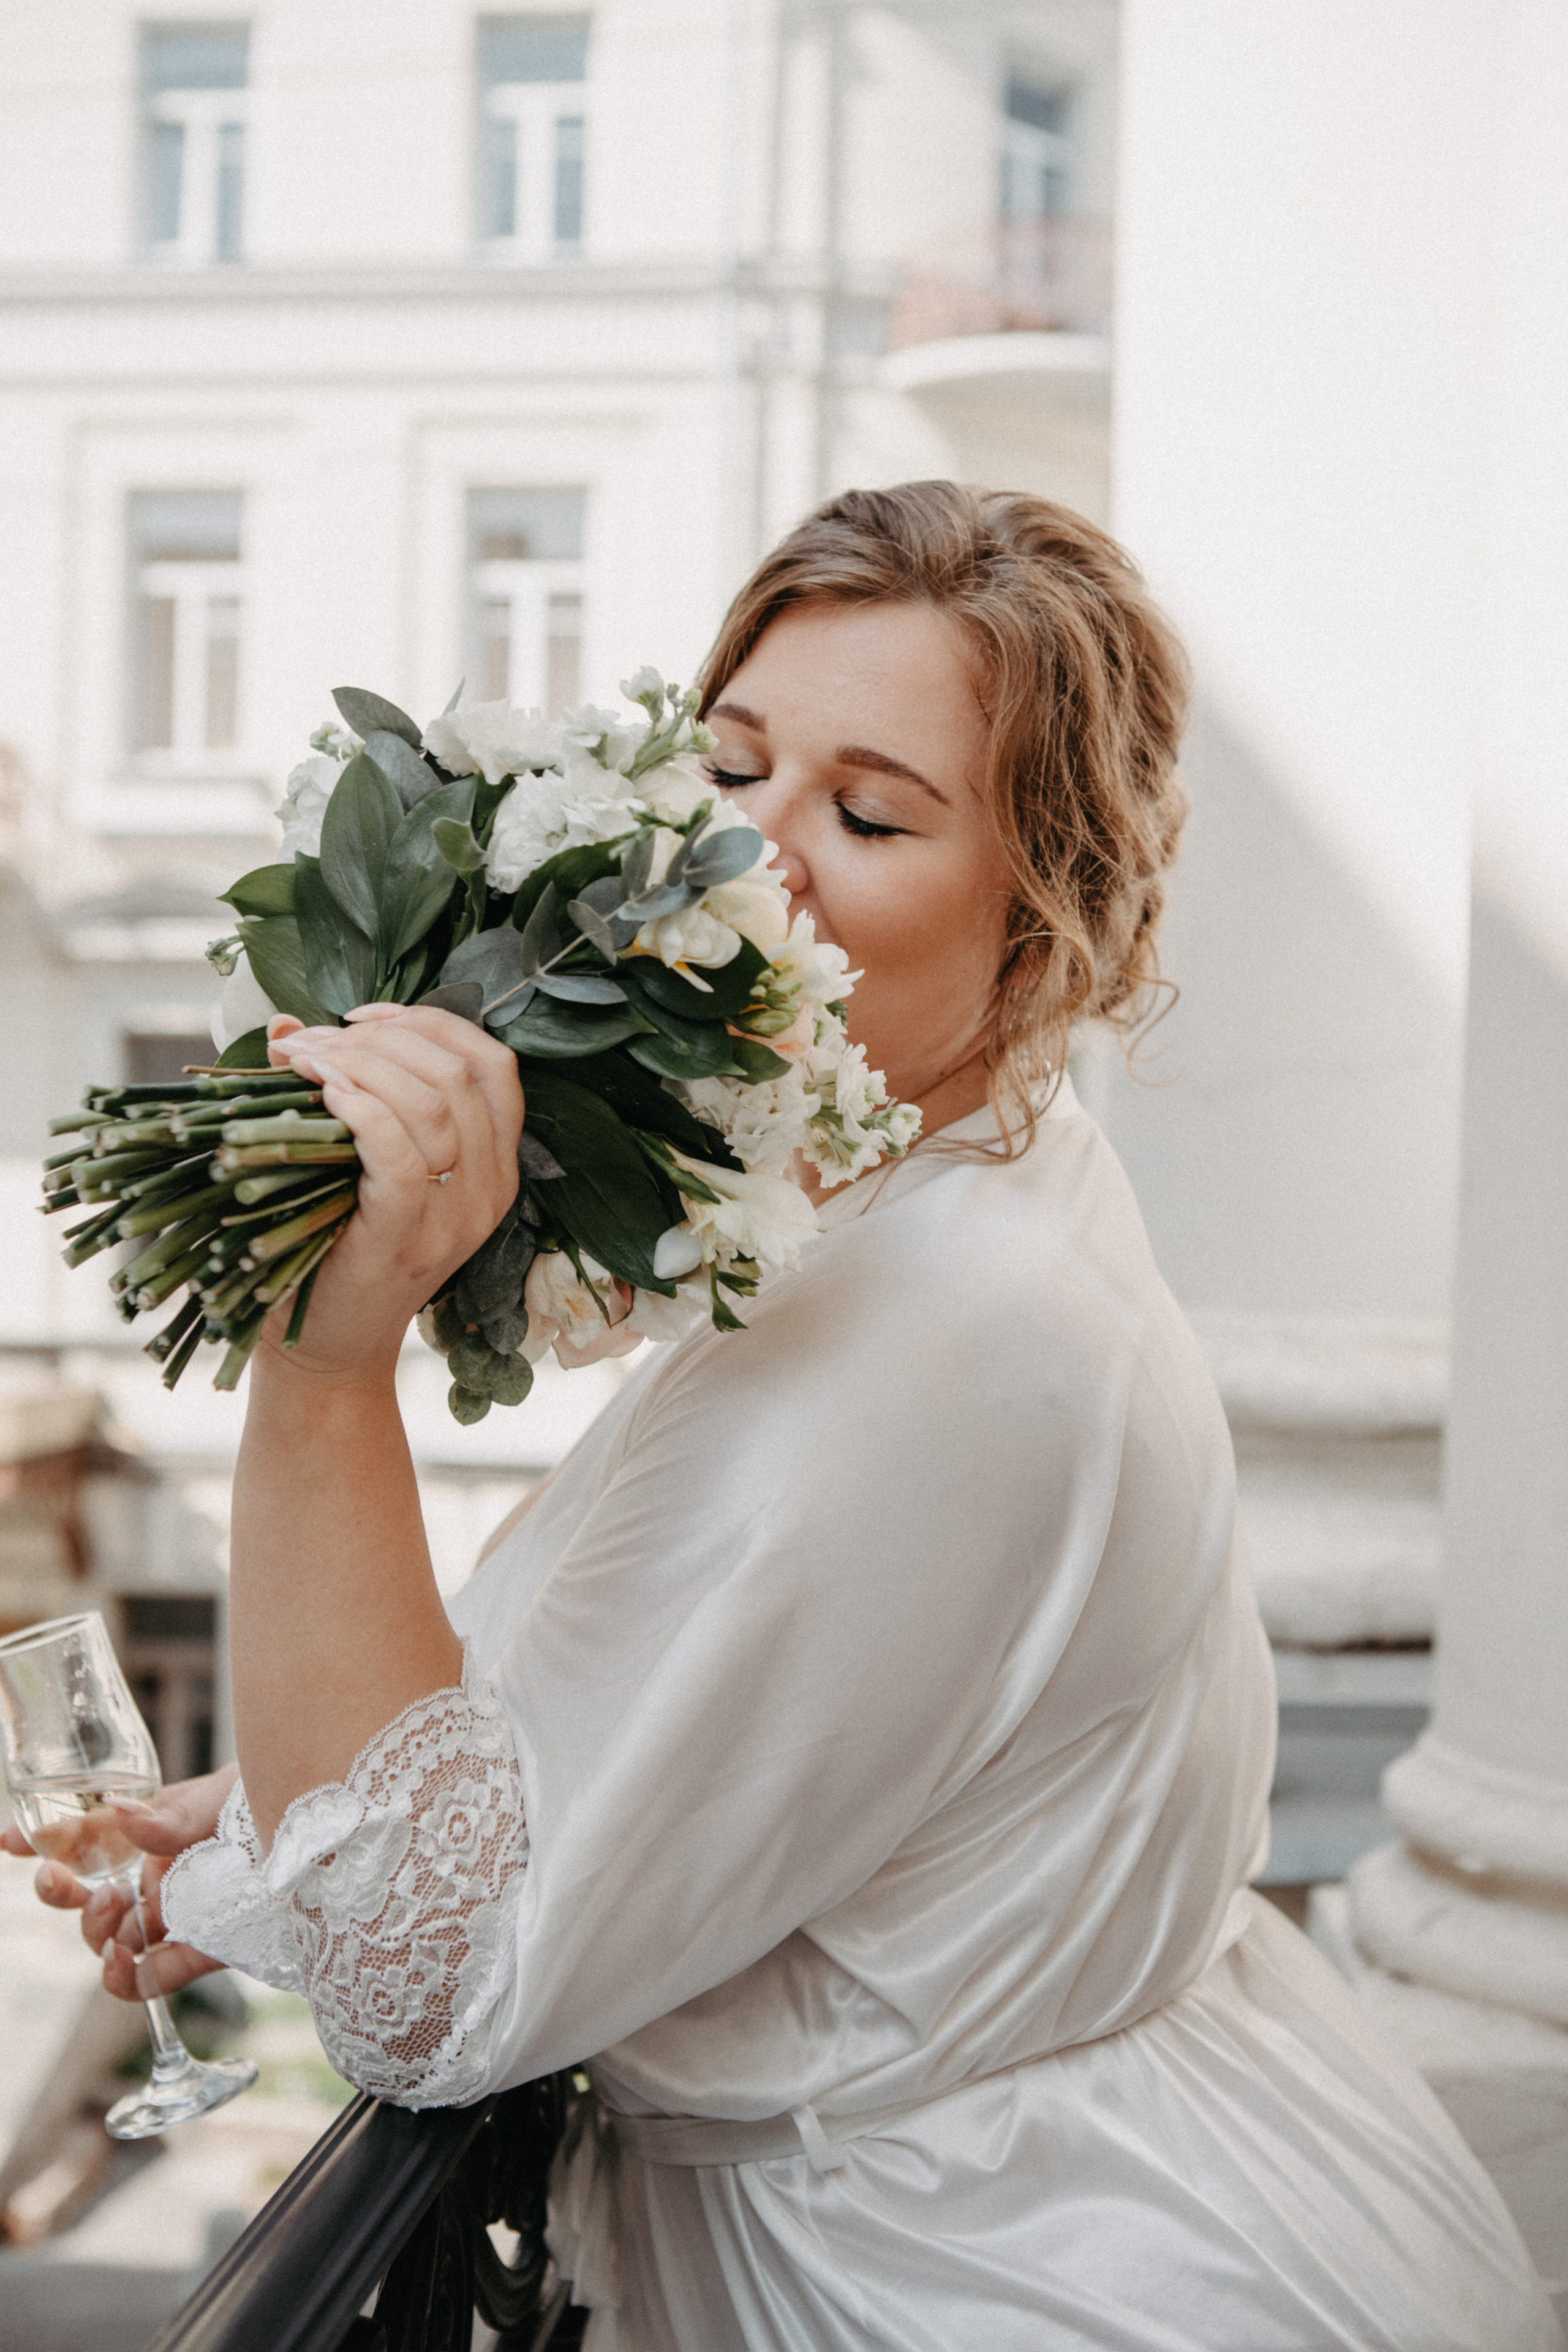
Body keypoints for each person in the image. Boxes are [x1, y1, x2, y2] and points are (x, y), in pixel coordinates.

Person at [9, 484, 1558, 2351]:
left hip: (1006, 2275)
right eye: (729, 769)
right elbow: (693, 1739)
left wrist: (326, 1377)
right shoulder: (924, 1194)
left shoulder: (961, 1326)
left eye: (871, 811)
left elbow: (426, 2006)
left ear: (1051, 916)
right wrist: (280, 1838)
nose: (746, 863)